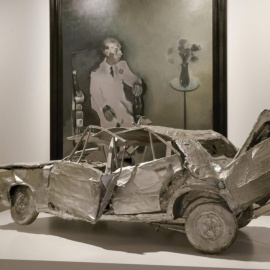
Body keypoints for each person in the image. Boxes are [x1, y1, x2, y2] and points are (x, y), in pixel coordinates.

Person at [90, 38, 142, 127]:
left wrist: (137, 83)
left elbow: (131, 78)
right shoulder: (97, 72)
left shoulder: (122, 65)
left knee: (129, 124)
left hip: (121, 104)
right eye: (116, 50)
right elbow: (95, 93)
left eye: (120, 49)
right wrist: (104, 107)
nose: (121, 53)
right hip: (104, 106)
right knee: (110, 129)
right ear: (107, 52)